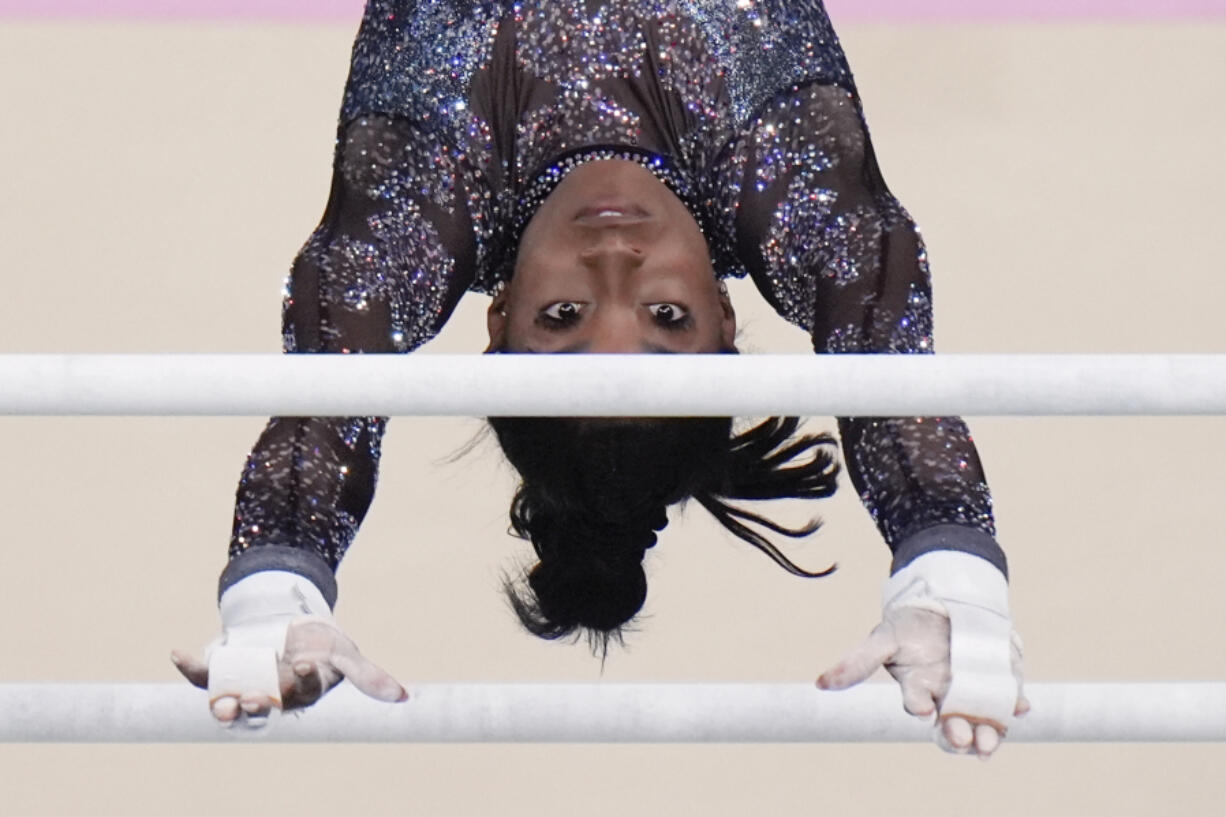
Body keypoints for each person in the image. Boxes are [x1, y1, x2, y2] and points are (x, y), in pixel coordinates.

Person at [172, 0, 1026, 756]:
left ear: (499, 315)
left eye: (561, 319)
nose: (615, 260)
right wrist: (948, 570)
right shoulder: (792, 176)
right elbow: (886, 375)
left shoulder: (419, 200)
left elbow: (328, 413)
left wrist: (274, 583)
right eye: (668, 320)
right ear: (727, 322)